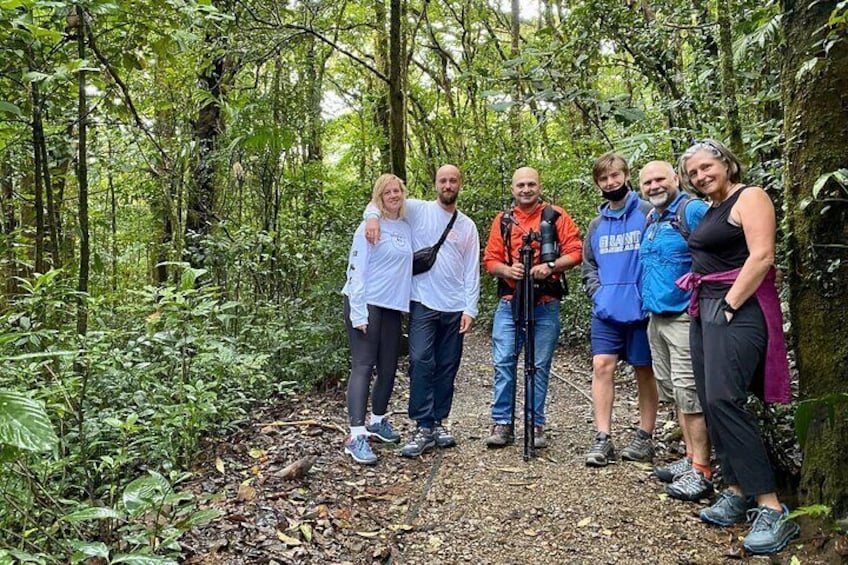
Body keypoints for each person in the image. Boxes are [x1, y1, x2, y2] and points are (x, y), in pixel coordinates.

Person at [677, 139, 798, 555]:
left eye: (706, 167)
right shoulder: (712, 209)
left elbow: (762, 255)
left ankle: (770, 504)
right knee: (712, 401)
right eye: (693, 173)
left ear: (727, 163)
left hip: (737, 306)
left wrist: (729, 306)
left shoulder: (751, 196)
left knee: (727, 398)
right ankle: (735, 488)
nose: (700, 176)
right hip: (705, 306)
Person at [364, 164, 480, 457]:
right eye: (443, 180)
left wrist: (471, 308)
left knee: (447, 366)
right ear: (435, 184)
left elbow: (472, 270)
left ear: (459, 185)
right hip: (422, 301)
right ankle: (422, 425)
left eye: (453, 181)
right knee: (420, 360)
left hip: (454, 305)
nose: (448, 185)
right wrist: (372, 218)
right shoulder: (419, 210)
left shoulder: (467, 225)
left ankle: (438, 422)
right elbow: (384, 199)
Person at [483, 167, 582, 448]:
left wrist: (549, 266)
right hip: (510, 302)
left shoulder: (556, 215)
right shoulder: (503, 220)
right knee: (504, 361)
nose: (526, 189)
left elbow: (576, 251)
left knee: (539, 365)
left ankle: (534, 423)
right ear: (513, 189)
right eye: (520, 185)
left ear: (539, 186)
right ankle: (502, 422)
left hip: (546, 302)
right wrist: (507, 270)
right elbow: (490, 259)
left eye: (531, 184)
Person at [637, 160, 712, 500]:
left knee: (690, 393)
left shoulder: (692, 210)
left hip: (684, 316)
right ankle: (690, 458)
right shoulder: (652, 218)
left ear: (676, 179)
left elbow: (722, 250)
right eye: (647, 182)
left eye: (659, 179)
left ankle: (702, 471)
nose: (654, 186)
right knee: (675, 392)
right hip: (657, 317)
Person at [581, 152, 658, 467]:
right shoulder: (596, 225)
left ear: (626, 176)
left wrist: (649, 296)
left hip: (642, 311)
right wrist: (598, 295)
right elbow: (589, 266)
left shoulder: (648, 213)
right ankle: (602, 437)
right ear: (598, 183)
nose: (610, 182)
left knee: (644, 370)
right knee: (602, 366)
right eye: (604, 178)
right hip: (606, 311)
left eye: (615, 176)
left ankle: (644, 436)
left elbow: (661, 256)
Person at [341, 174, 413, 465]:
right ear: (378, 197)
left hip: (392, 306)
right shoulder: (368, 227)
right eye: (387, 192)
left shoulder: (406, 226)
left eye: (398, 191)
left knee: (388, 366)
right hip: (366, 302)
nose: (394, 195)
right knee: (363, 364)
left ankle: (377, 421)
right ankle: (356, 435)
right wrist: (358, 311)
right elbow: (356, 270)